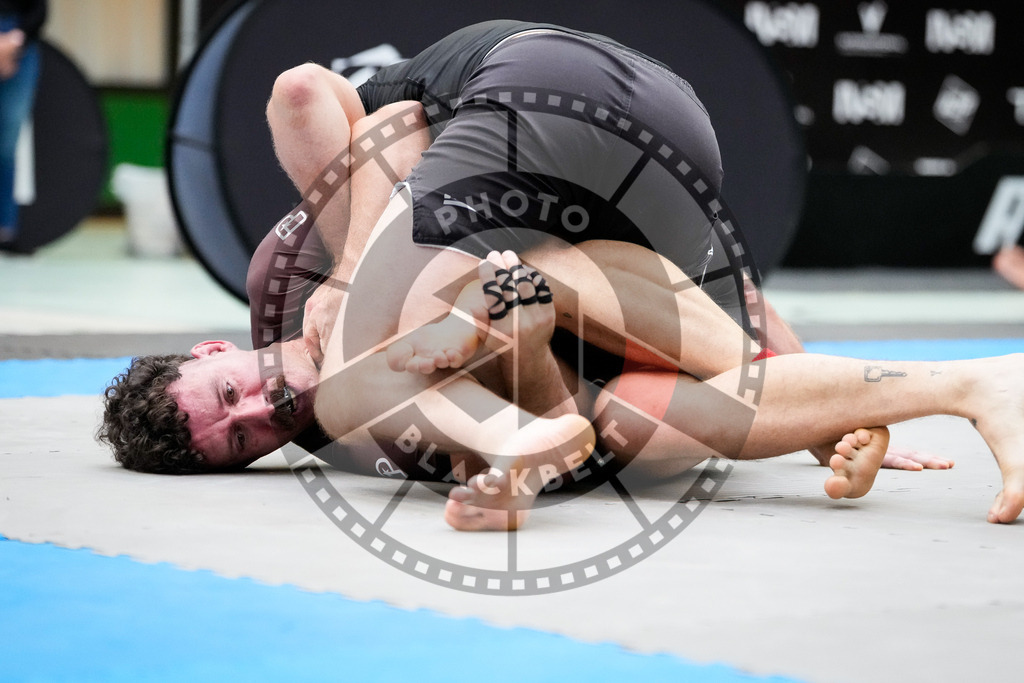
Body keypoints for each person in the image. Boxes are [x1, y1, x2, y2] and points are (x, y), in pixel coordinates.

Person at [105, 22, 1009, 531]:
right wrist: (836, 411)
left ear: (217, 345)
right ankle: (962, 383)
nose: (253, 411)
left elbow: (328, 100)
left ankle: (520, 419)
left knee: (448, 307)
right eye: (240, 440)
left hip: (546, 87)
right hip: (664, 171)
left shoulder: (291, 282)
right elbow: (695, 304)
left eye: (225, 390)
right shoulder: (345, 434)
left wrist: (348, 269)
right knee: (642, 423)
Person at [0, 0, 45, 253]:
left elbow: (39, 9)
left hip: (20, 40)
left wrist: (12, 43)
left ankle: (5, 229)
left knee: (7, 142)